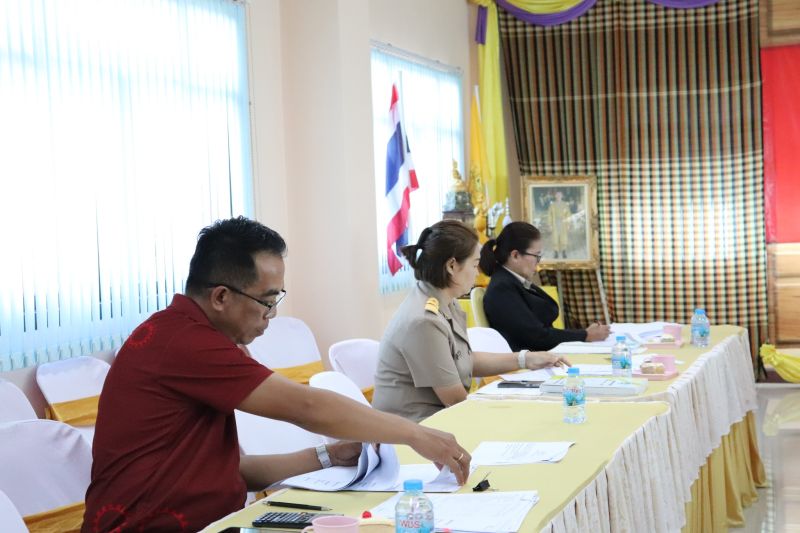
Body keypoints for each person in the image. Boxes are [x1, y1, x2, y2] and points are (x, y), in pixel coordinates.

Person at [83, 217, 471, 532]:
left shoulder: (189, 335)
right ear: (221, 297)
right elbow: (306, 407)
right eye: (267, 301)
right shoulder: (185, 343)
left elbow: (228, 473)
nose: (272, 315)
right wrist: (415, 434)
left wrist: (329, 455)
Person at [372, 220, 569, 422]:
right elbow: (456, 401)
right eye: (475, 265)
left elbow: (465, 360)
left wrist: (526, 359)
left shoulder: (445, 301)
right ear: (451, 266)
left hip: (436, 421)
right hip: (415, 429)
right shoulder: (424, 321)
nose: (477, 273)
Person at [480, 222, 611, 352]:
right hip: (528, 360)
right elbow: (537, 337)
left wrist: (585, 334)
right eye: (536, 256)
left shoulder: (512, 281)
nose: (538, 262)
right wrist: (585, 335)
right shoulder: (502, 288)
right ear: (515, 255)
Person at [547, 190, 571, 258]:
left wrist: (568, 224)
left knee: (564, 237)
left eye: (560, 195)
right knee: (555, 237)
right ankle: (556, 252)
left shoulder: (565, 205)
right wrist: (550, 224)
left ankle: (564, 251)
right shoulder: (552, 205)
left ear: (562, 196)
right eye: (557, 195)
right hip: (555, 223)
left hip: (563, 223)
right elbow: (549, 215)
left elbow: (568, 214)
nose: (558, 196)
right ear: (555, 196)